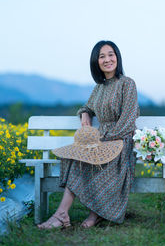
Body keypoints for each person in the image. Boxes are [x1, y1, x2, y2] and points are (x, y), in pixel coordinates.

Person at [37, 40, 140, 229]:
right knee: (78, 157)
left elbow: (128, 121)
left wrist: (104, 139)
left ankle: (94, 213)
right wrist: (85, 114)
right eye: (102, 56)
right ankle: (62, 214)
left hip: (120, 142)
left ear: (117, 56)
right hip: (101, 142)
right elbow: (87, 106)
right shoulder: (99, 88)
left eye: (111, 54)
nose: (107, 59)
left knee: (91, 160)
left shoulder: (127, 84)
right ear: (96, 62)